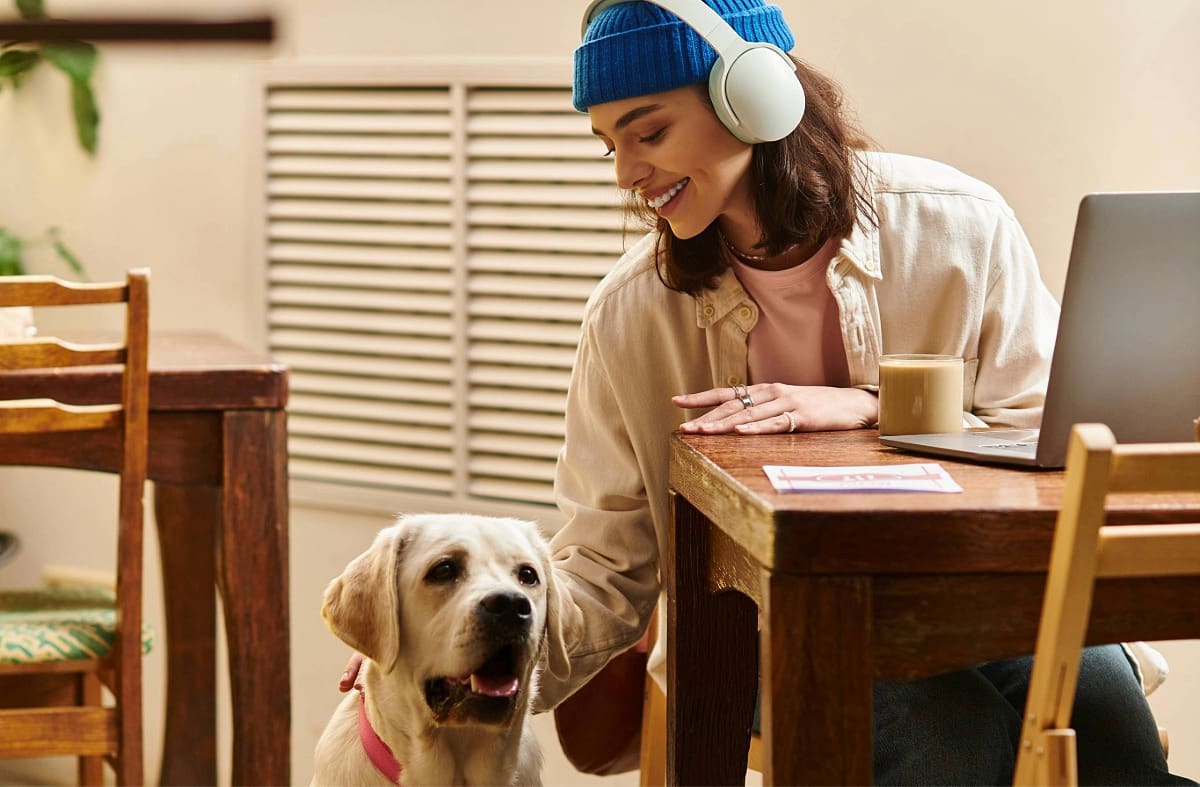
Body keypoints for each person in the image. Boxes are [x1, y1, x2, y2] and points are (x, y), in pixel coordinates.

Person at [527, 0, 1192, 784]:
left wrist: (879, 408)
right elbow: (604, 564)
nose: (627, 174)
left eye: (650, 132)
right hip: (779, 628)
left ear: (757, 94)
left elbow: (1055, 446)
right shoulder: (629, 314)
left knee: (1112, 727)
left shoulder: (960, 226)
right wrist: (437, 649)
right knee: (952, 742)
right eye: (609, 145)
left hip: (988, 595)